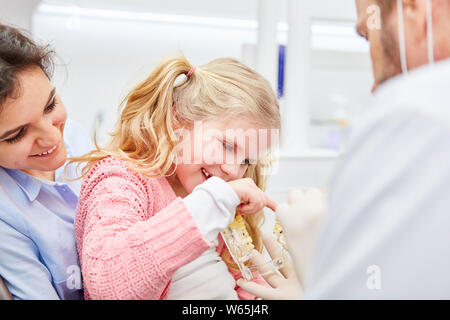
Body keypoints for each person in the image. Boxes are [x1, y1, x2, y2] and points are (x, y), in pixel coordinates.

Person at [238, 0, 450, 299]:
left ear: (413, 9)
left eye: (367, 35)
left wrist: (323, 278)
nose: (375, 85)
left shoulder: (414, 112)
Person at [71, 56, 281, 299]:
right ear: (176, 123)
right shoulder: (119, 179)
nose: (233, 171)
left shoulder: (213, 199)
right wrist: (211, 203)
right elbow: (107, 286)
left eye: (246, 161)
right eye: (227, 146)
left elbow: (245, 287)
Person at [0, 24, 92, 299]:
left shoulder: (76, 136)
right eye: (17, 134)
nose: (52, 137)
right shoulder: (6, 215)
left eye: (50, 106)